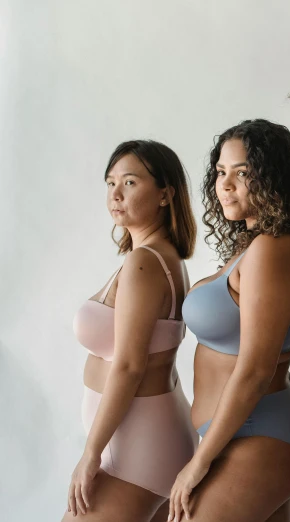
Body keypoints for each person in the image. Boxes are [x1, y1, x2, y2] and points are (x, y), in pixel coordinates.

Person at [168, 119, 290, 522]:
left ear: (274, 181)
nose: (226, 184)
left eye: (242, 173)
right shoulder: (254, 246)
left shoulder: (272, 250)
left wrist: (198, 464)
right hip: (241, 435)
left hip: (260, 433)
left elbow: (255, 369)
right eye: (221, 172)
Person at [68, 140, 198, 522]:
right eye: (110, 183)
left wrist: (90, 454)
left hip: (139, 447)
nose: (115, 194)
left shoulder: (145, 262)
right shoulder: (158, 255)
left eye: (129, 182)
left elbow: (128, 366)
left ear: (165, 194)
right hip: (146, 437)